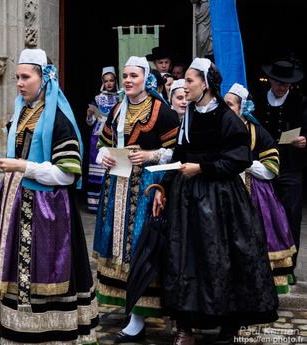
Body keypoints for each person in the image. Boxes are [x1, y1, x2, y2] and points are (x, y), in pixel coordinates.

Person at [154, 58, 278, 345]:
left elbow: (238, 159)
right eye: (184, 80)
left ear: (206, 84)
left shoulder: (226, 117)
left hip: (221, 199)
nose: (184, 86)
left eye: (190, 80)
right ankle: (185, 326)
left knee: (225, 259)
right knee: (185, 258)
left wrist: (202, 168)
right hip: (187, 199)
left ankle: (228, 324)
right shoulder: (189, 116)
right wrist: (163, 186)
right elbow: (179, 155)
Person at [0, 48, 99, 344]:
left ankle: (50, 336)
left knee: (43, 276)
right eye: (17, 77)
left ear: (44, 79)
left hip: (47, 211)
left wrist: (24, 166)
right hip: (16, 206)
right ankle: (17, 334)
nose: (19, 83)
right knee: (17, 279)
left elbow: (68, 174)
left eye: (25, 77)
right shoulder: (22, 112)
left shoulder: (59, 119)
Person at [93, 56, 179, 343]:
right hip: (117, 184)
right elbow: (104, 143)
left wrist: (150, 155)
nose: (128, 80)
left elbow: (175, 151)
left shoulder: (161, 111)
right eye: (125, 76)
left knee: (140, 246)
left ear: (146, 79)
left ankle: (140, 314)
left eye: (133, 76)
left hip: (146, 187)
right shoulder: (117, 109)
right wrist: (102, 157)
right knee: (118, 245)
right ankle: (127, 306)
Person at [225, 83, 296, 294]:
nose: (224, 108)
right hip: (224, 193)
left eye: (229, 105)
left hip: (254, 195)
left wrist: (245, 162)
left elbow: (271, 169)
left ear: (243, 107)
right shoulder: (218, 129)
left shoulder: (259, 133)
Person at [254, 58, 306, 283]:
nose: (281, 87)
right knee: (264, 214)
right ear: (271, 81)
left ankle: (289, 267)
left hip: (290, 166)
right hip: (264, 165)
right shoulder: (256, 100)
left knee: (292, 215)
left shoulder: (300, 101)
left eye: (285, 84)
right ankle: (264, 262)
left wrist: (304, 140)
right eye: (277, 83)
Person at [86, 66, 119, 213]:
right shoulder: (97, 98)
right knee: (97, 167)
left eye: (111, 80)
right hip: (97, 136)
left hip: (114, 135)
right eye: (106, 81)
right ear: (102, 82)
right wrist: (89, 115)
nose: (109, 83)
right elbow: (90, 122)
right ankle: (95, 204)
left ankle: (109, 205)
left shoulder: (121, 97)